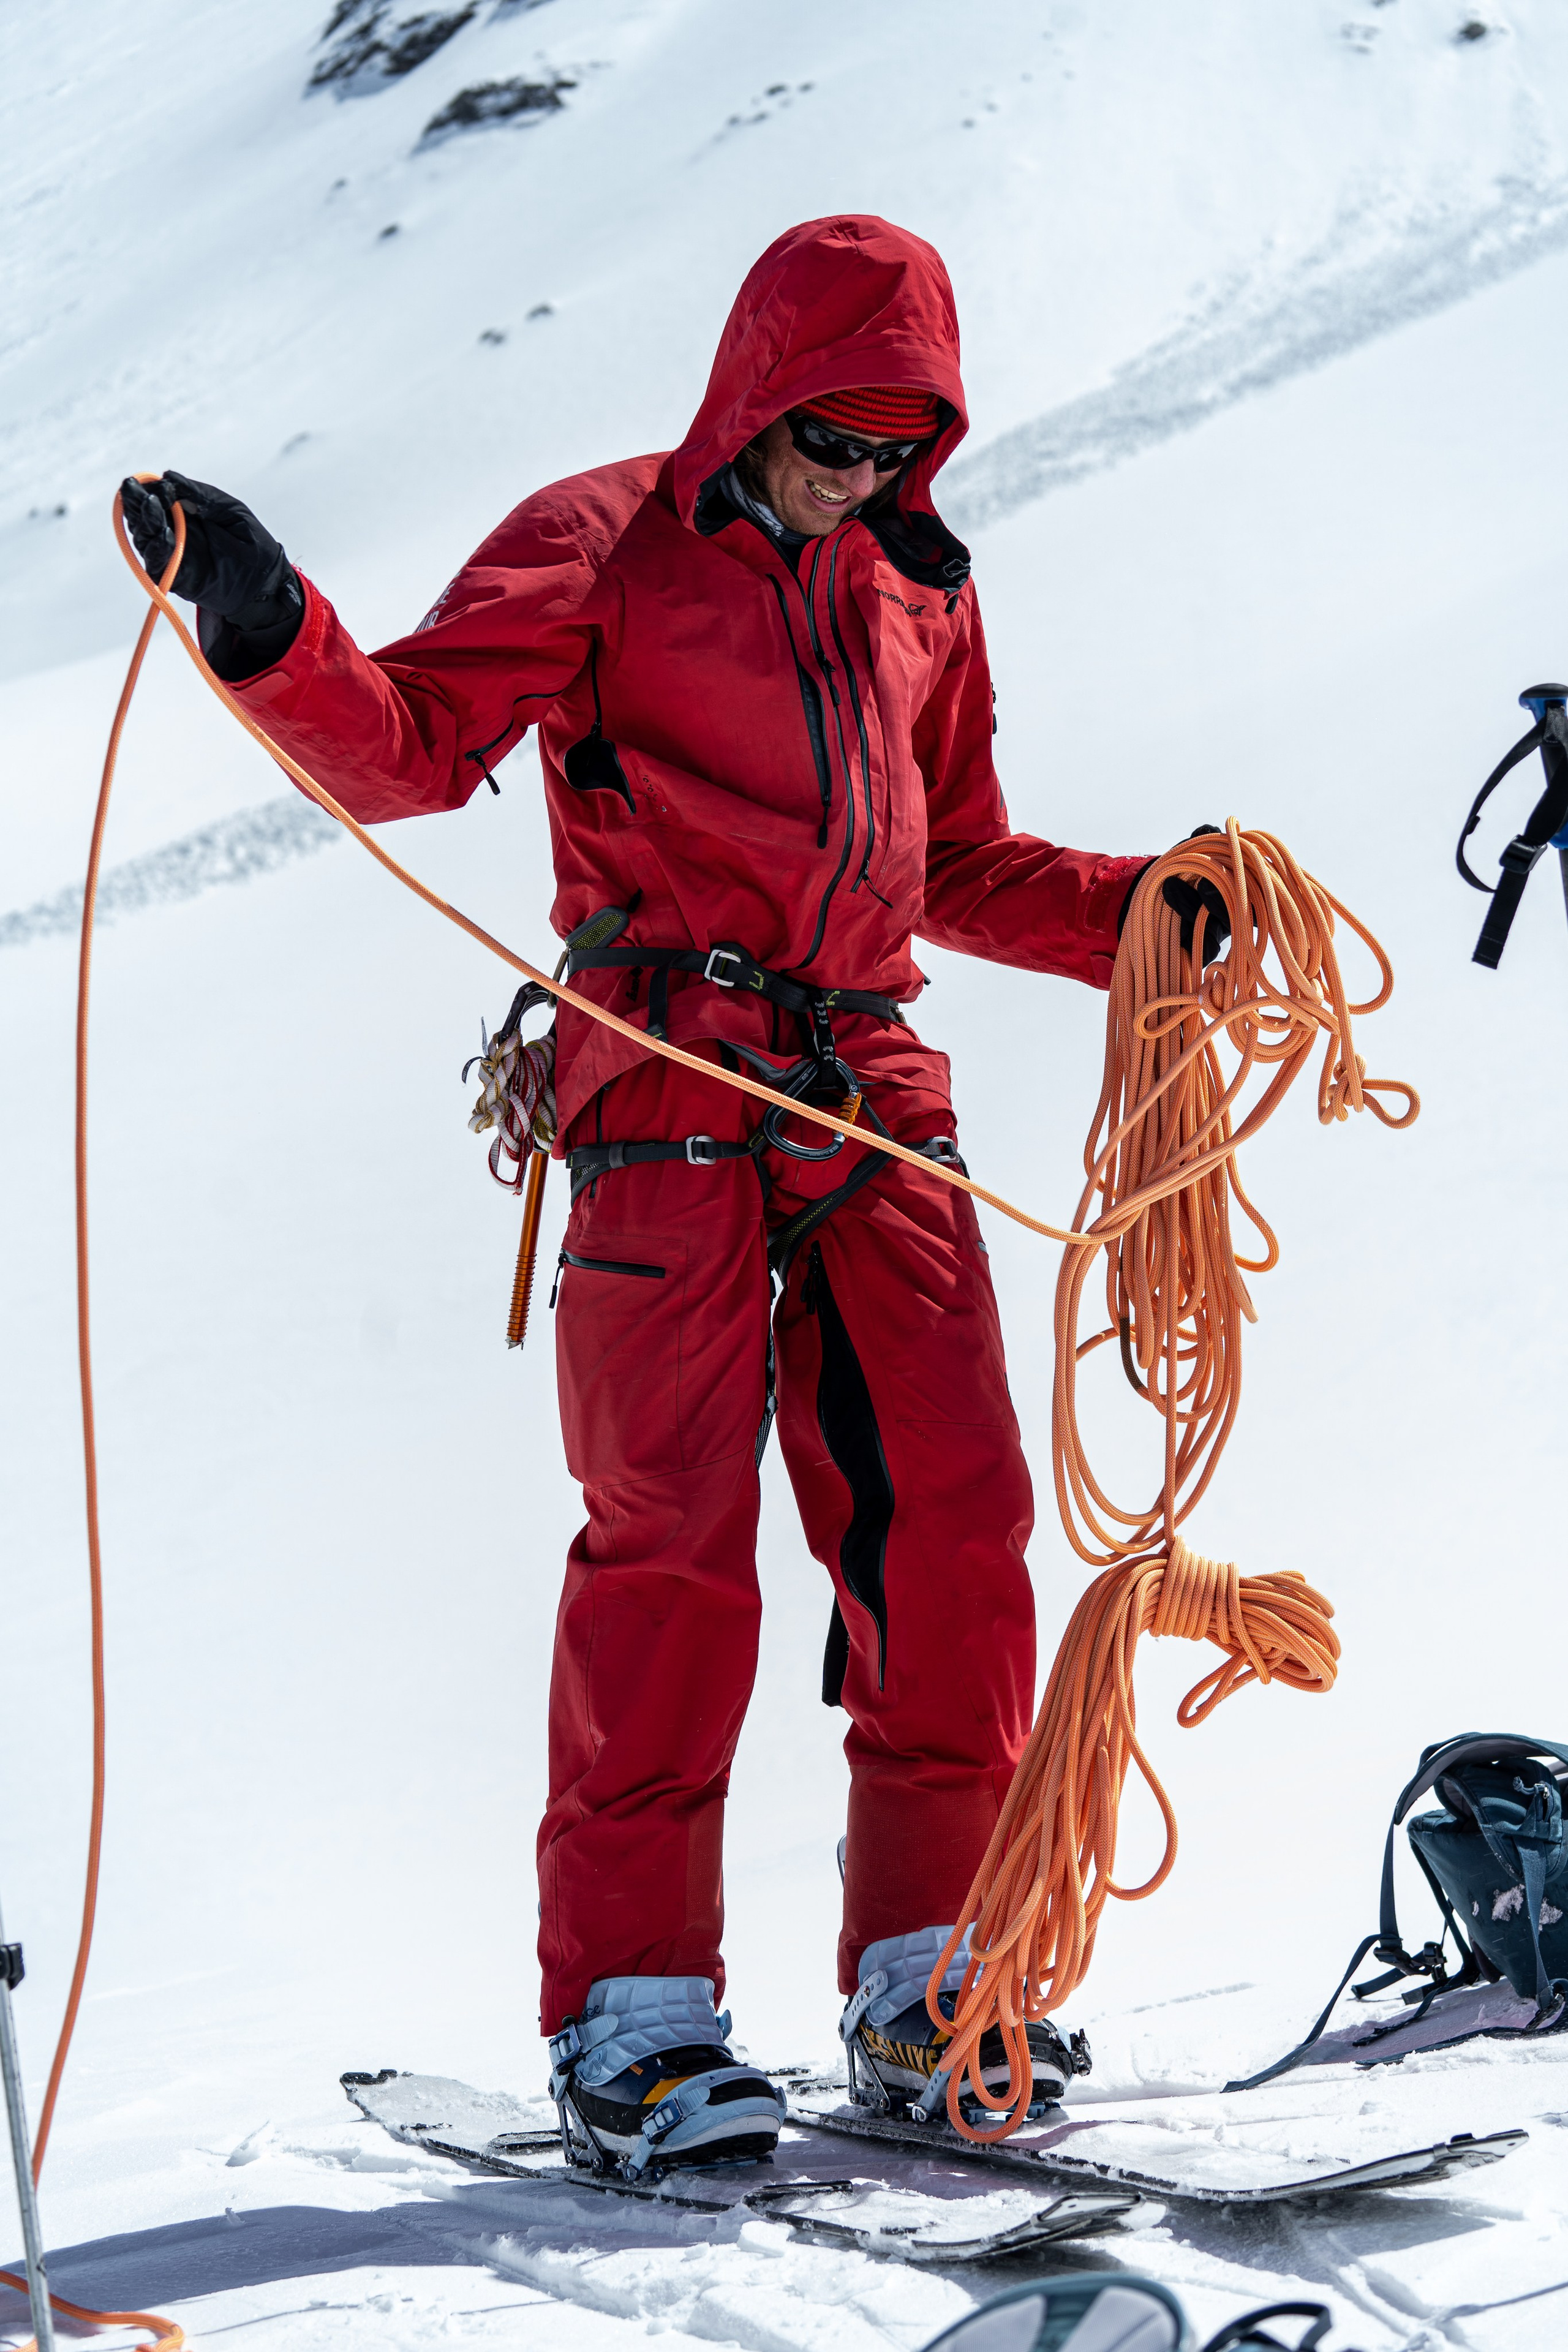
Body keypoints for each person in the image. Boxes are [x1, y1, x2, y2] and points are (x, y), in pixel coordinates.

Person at [124, 213, 1172, 2179]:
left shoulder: (919, 596)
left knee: (952, 1525)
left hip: (867, 1086)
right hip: (660, 1085)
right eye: (832, 438)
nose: (859, 478)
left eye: (897, 448)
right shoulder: (602, 542)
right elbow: (419, 750)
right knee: (668, 1545)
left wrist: (1149, 915)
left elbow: (959, 861)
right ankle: (635, 2020)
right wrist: (267, 624)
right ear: (759, 390)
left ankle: (935, 1975)